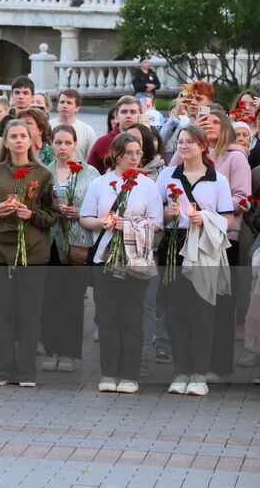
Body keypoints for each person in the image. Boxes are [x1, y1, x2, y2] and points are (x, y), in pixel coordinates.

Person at [155, 124, 237, 396]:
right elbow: (156, 216)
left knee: (202, 310)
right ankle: (181, 370)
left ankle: (199, 372)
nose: (183, 146)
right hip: (173, 245)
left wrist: (205, 217)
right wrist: (168, 214)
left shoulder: (218, 180)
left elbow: (229, 220)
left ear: (203, 146)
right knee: (175, 310)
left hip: (204, 247)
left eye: (189, 141)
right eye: (180, 141)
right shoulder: (167, 176)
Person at [0, 119, 60, 387]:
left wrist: (31, 214)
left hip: (32, 252)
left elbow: (53, 214)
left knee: (29, 313)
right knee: (1, 311)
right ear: (5, 141)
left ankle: (26, 372)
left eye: (23, 135)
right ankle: (2, 370)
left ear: (31, 140)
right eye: (13, 136)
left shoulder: (42, 174)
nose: (18, 140)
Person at [79, 132, 163, 394]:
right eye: (130, 153)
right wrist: (104, 223)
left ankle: (129, 374)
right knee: (107, 316)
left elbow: (157, 223)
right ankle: (108, 372)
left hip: (135, 258)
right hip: (105, 257)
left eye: (139, 153)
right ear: (117, 155)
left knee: (132, 316)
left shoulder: (147, 185)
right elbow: (85, 217)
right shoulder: (101, 183)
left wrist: (130, 225)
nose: (135, 158)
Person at [40, 125, 100, 375]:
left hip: (77, 242)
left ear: (75, 144)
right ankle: (52, 350)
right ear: (51, 145)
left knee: (72, 300)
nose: (62, 147)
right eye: (58, 143)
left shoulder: (90, 173)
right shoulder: (44, 172)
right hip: (49, 242)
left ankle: (69, 352)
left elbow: (97, 205)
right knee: (49, 299)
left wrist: (79, 212)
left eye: (67, 143)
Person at [88, 96, 143, 173]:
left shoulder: (148, 140)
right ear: (117, 116)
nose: (128, 115)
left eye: (133, 112)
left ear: (140, 115)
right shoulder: (102, 142)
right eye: (124, 112)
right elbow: (90, 174)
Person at [50, 88, 96, 161]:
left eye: (69, 103)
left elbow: (91, 159)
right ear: (58, 106)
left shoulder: (87, 131)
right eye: (62, 102)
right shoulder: (47, 126)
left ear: (77, 108)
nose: (65, 105)